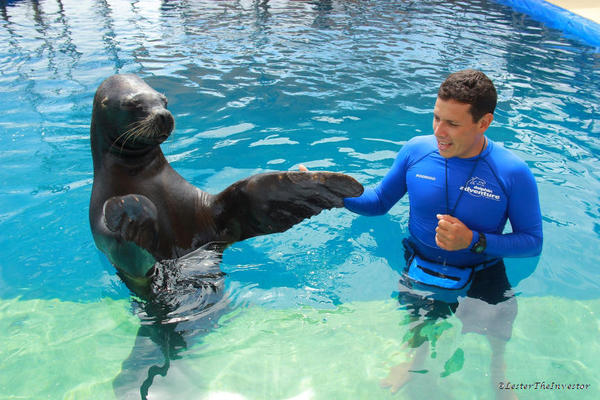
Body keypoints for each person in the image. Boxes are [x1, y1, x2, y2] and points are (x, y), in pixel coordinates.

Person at [343, 69, 543, 397]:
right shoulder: (416, 151)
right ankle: (414, 360)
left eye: (452, 123)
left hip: (482, 269)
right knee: (418, 325)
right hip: (421, 261)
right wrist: (327, 190)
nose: (439, 132)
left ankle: (498, 367)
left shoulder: (512, 172)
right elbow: (378, 202)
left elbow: (532, 242)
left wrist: (475, 241)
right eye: (436, 118)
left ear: (484, 123)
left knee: (497, 328)